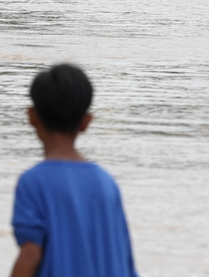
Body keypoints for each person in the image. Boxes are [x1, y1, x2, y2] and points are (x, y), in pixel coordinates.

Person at [10, 64, 138, 277]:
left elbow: (31, 254)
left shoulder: (34, 181)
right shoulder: (106, 182)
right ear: (86, 122)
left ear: (32, 116)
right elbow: (125, 257)